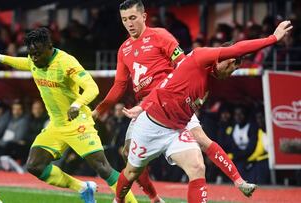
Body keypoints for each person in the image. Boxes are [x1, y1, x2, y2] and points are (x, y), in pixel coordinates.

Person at [93, 0, 255, 199]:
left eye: (133, 18)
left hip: (173, 100)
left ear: (144, 17)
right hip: (146, 108)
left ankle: (238, 180)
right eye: (125, 19)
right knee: (128, 156)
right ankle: (154, 197)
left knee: (201, 145)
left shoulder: (161, 36)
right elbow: (119, 85)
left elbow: (184, 64)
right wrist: (101, 109)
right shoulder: (123, 49)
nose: (129, 23)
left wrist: (189, 93)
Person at [117, 20, 293, 203]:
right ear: (231, 61)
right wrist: (273, 38)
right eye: (233, 69)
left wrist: (238, 181)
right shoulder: (201, 56)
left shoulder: (208, 82)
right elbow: (239, 48)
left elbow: (166, 87)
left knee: (197, 167)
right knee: (131, 172)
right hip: (151, 126)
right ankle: (119, 200)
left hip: (175, 131)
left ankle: (238, 181)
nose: (230, 75)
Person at [0, 27, 137, 203]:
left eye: (38, 54)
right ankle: (83, 188)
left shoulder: (66, 63)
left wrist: (77, 104)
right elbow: (24, 62)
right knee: (34, 166)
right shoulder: (35, 59)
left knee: (103, 168)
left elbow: (92, 88)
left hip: (77, 122)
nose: (34, 58)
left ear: (49, 46)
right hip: (56, 125)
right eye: (31, 54)